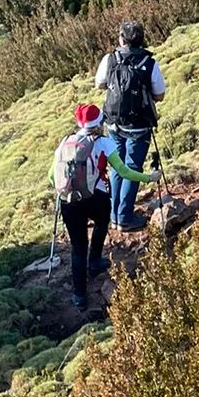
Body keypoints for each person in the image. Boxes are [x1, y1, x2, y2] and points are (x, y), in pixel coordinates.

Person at [51, 102, 157, 312]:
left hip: (68, 202)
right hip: (94, 197)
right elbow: (124, 172)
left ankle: (79, 295)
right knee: (102, 221)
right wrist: (148, 178)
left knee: (77, 247)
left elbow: (50, 175)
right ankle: (95, 261)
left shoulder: (65, 141)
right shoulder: (103, 143)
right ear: (99, 122)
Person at [96, 20, 166, 230]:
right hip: (138, 125)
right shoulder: (149, 62)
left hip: (113, 122)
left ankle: (114, 215)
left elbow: (99, 84)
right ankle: (124, 217)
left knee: (117, 166)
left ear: (121, 39)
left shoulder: (110, 59)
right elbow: (160, 95)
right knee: (132, 166)